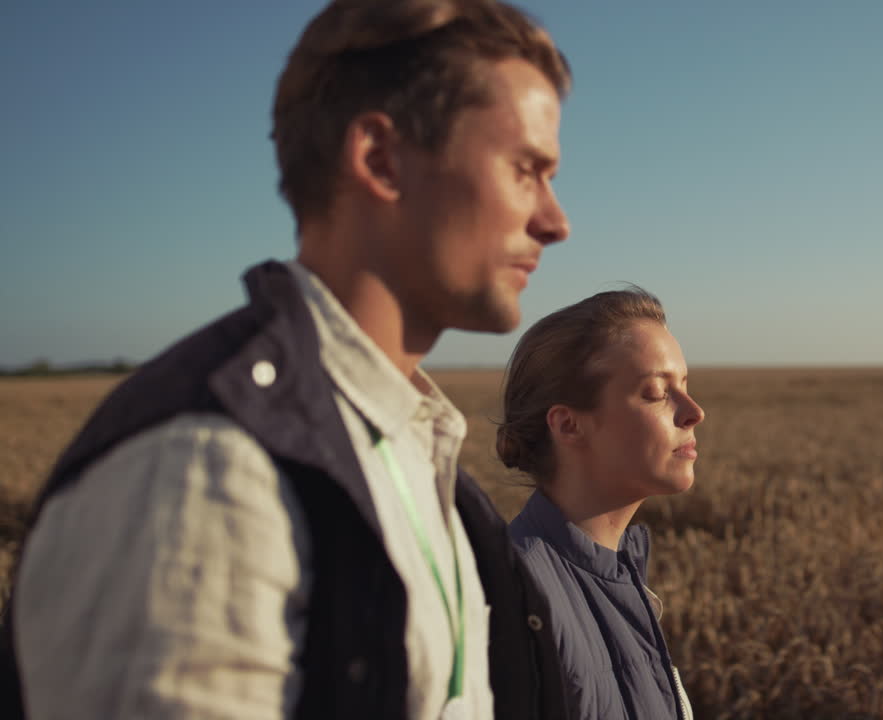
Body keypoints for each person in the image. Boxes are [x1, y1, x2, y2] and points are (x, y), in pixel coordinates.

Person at [0, 1, 574, 718]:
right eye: (527, 169)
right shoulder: (205, 466)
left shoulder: (414, 447)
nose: (556, 221)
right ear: (380, 159)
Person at [496, 287, 705, 720]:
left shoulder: (622, 574)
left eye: (684, 385)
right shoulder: (518, 601)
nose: (693, 411)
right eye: (655, 392)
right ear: (569, 425)